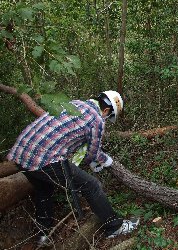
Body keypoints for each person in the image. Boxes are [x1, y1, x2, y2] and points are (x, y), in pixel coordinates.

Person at [7, 91, 139, 246]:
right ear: (107, 110)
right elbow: (94, 153)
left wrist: (90, 160)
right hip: (45, 159)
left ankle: (43, 234)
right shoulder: (97, 119)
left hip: (20, 155)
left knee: (44, 190)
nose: (106, 120)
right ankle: (114, 227)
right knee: (91, 185)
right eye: (108, 117)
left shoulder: (76, 103)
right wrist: (106, 161)